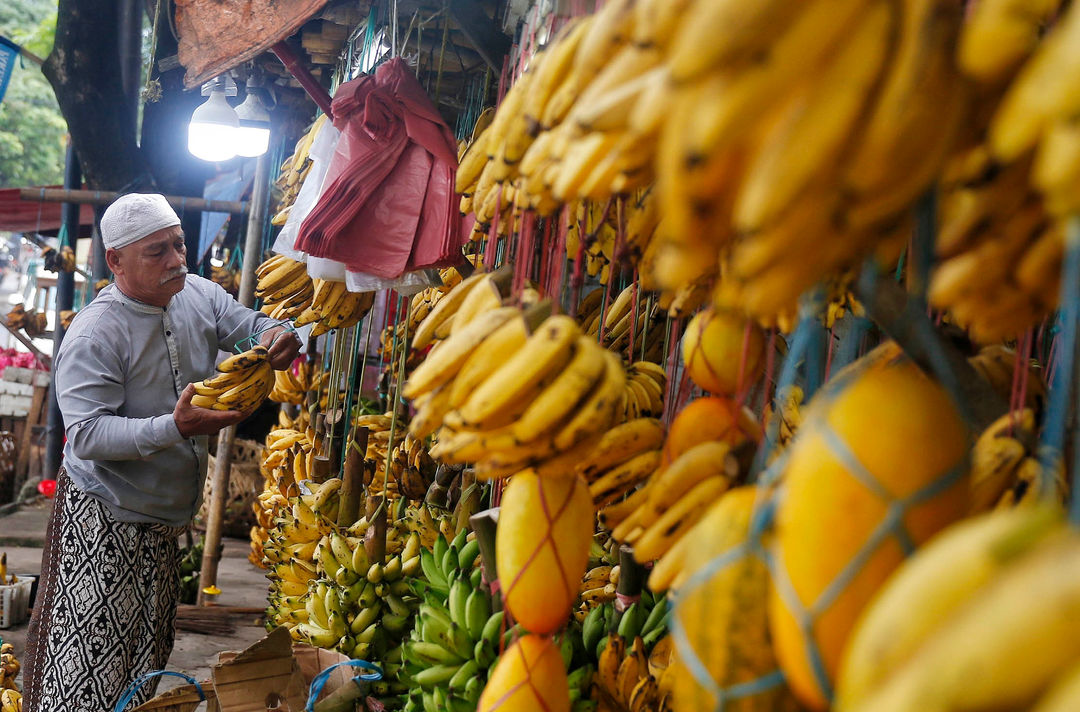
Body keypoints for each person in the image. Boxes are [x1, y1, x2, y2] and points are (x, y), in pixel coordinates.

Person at [22, 193, 301, 712]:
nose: (177, 259)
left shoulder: (200, 293)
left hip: (167, 523)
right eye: (156, 252)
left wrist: (277, 332)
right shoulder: (94, 333)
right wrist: (173, 427)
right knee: (85, 672)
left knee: (144, 662)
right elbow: (84, 436)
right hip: (104, 521)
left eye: (178, 244)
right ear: (116, 262)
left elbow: (250, 324)